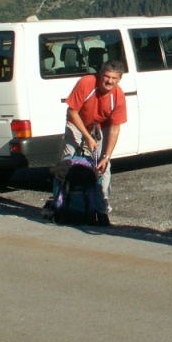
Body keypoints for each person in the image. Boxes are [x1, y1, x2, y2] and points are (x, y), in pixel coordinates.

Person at [60, 59, 128, 225]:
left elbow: (114, 129)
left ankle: (101, 210)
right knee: (68, 163)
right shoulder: (86, 83)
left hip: (100, 126)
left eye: (114, 78)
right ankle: (64, 205)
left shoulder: (118, 96)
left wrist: (106, 156)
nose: (109, 81)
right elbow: (72, 112)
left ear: (119, 79)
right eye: (107, 76)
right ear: (100, 75)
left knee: (103, 168)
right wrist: (88, 138)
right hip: (77, 123)